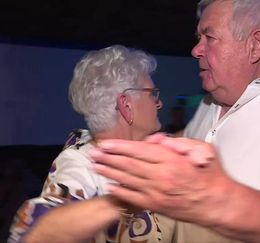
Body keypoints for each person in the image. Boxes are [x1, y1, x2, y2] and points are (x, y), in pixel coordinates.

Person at [72, 0, 260, 242]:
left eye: (209, 37)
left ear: (255, 45)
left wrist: (225, 203)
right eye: (198, 38)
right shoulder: (210, 103)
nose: (196, 49)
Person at [8, 45, 175, 243]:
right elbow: (34, 233)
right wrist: (134, 197)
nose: (159, 103)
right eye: (152, 93)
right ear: (126, 104)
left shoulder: (147, 149)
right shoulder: (81, 162)